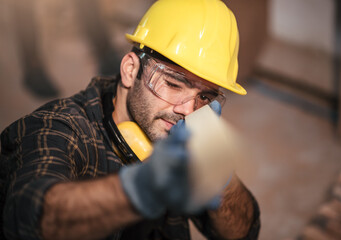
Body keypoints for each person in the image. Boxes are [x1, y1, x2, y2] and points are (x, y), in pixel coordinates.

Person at [0, 0, 260, 239]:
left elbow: (244, 232)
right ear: (130, 70)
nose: (188, 110)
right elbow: (26, 218)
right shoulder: (56, 128)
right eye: (173, 84)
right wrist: (141, 189)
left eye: (205, 96)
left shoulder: (188, 135)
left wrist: (224, 183)